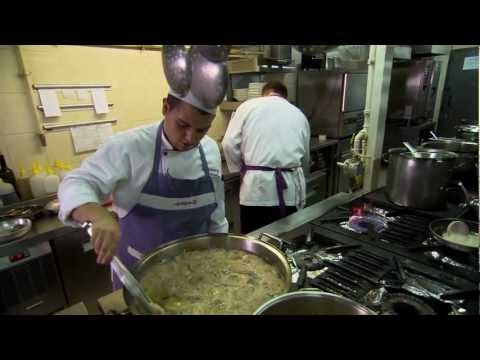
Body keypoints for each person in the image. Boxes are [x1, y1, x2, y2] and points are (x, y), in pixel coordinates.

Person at [58, 90, 228, 290]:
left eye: (202, 130)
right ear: (166, 107)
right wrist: (98, 215)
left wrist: (222, 253)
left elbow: (216, 212)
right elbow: (76, 181)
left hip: (197, 275)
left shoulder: (210, 149)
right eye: (182, 125)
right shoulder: (129, 146)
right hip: (140, 276)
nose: (190, 138)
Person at [222, 81, 311, 234]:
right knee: (285, 239)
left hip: (255, 191)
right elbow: (305, 158)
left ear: (264, 93)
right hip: (289, 191)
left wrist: (240, 170)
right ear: (285, 97)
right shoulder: (298, 114)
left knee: (254, 242)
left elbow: (228, 143)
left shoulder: (247, 106)